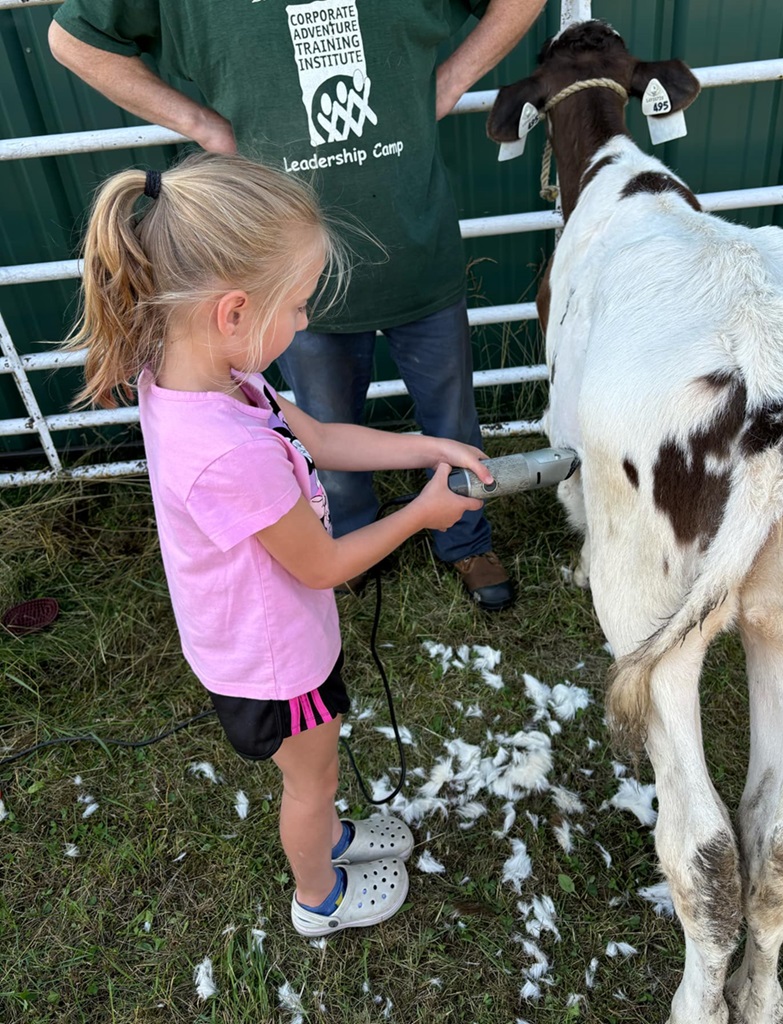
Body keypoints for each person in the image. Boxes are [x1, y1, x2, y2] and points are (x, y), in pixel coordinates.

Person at [66, 151, 492, 936]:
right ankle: (318, 896)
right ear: (232, 313)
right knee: (312, 779)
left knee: (315, 776)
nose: (303, 323)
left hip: (267, 635)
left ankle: (327, 838)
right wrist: (420, 517)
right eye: (296, 307)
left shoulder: (210, 377)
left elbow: (323, 436)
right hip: (272, 662)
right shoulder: (228, 451)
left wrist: (428, 449)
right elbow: (323, 564)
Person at [49, 0, 548, 611]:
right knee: (317, 436)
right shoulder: (220, 415)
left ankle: (465, 540)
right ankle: (349, 543)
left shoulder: (199, 401)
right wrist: (201, 125)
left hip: (416, 250)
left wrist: (449, 81)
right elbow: (74, 38)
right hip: (276, 274)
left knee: (452, 422)